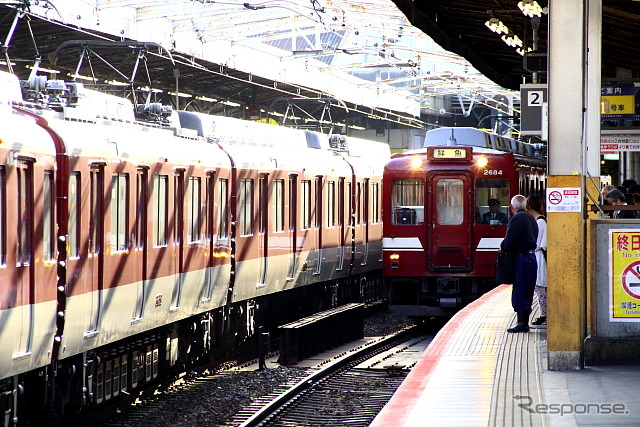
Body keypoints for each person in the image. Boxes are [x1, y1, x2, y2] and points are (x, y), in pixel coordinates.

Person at [500, 194, 538, 333]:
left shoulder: (516, 219)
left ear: (512, 207)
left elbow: (509, 242)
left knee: (520, 289)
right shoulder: (530, 218)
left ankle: (521, 323)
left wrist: (503, 245)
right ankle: (524, 321)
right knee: (528, 289)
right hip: (531, 258)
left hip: (521, 259)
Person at [526, 195, 547, 326]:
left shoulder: (539, 222)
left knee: (540, 288)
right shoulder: (541, 221)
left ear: (529, 206)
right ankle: (543, 314)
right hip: (539, 256)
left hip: (539, 257)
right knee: (540, 287)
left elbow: (538, 242)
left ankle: (544, 315)